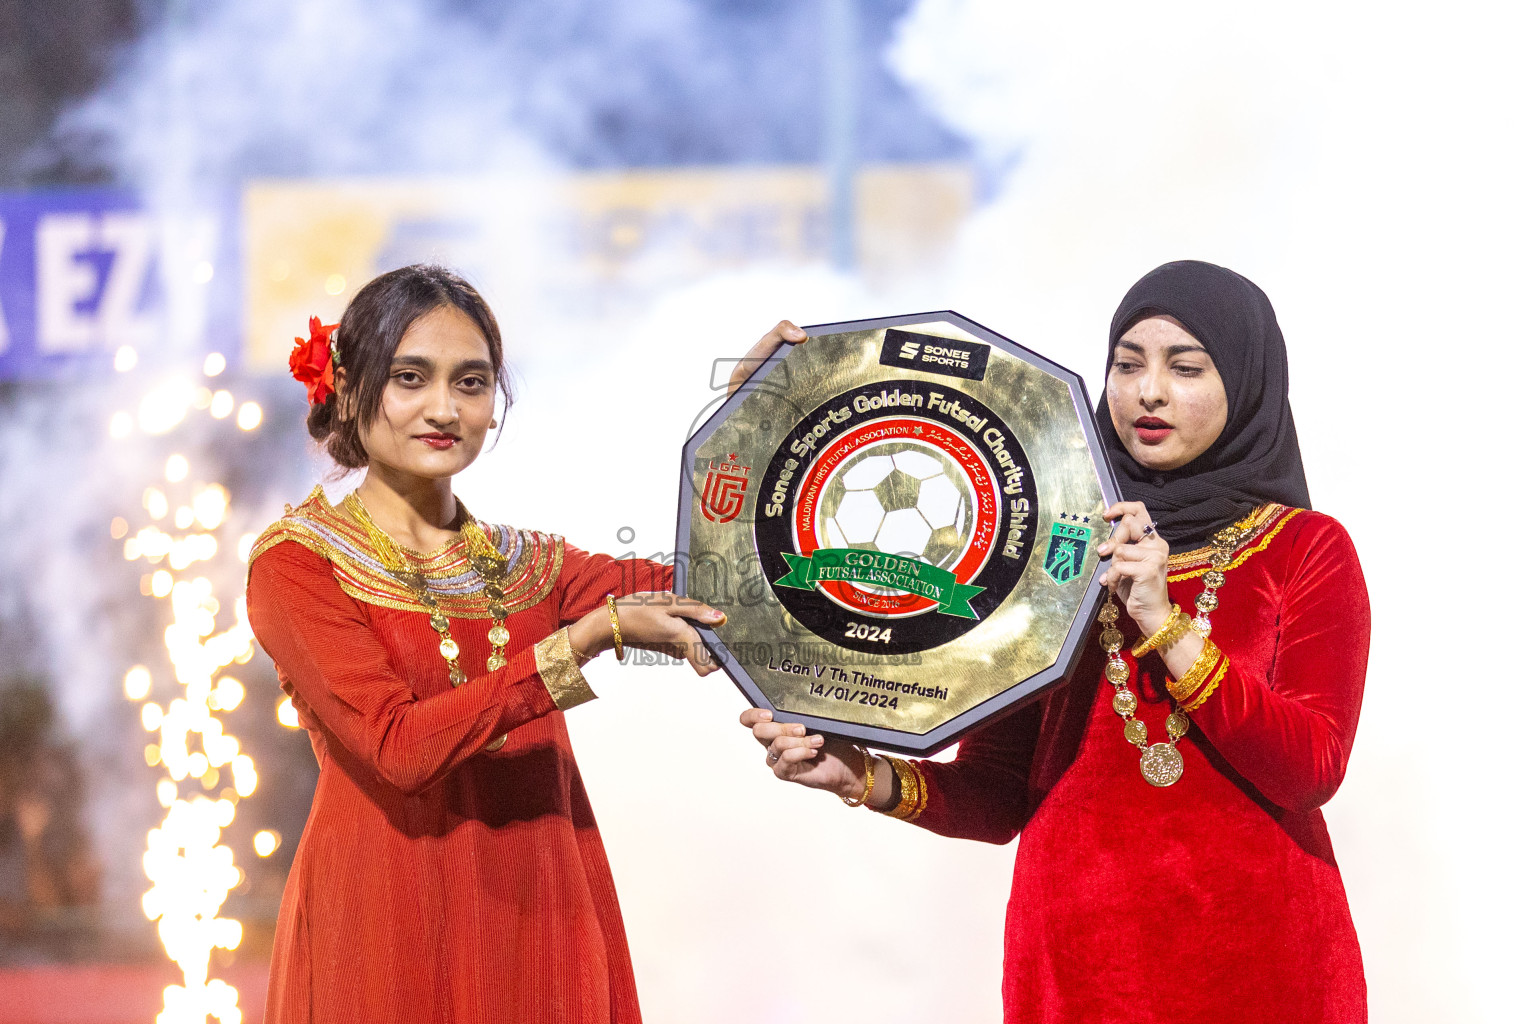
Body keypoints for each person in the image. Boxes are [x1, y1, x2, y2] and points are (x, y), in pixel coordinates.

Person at [741, 261, 1370, 1023]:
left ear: (1248, 382)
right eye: (1128, 363)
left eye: (1186, 367)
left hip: (1258, 963)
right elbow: (999, 792)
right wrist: (860, 774)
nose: (1149, 391)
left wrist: (1164, 623)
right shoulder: (1048, 548)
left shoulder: (1304, 549)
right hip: (1076, 965)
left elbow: (1310, 767)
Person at [246, 264, 726, 1024]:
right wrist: (582, 643)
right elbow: (398, 747)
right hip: (384, 922)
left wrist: (759, 428)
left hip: (540, 909)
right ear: (347, 387)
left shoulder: (528, 564)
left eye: (471, 384)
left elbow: (711, 582)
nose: (445, 409)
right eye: (411, 378)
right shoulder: (299, 564)